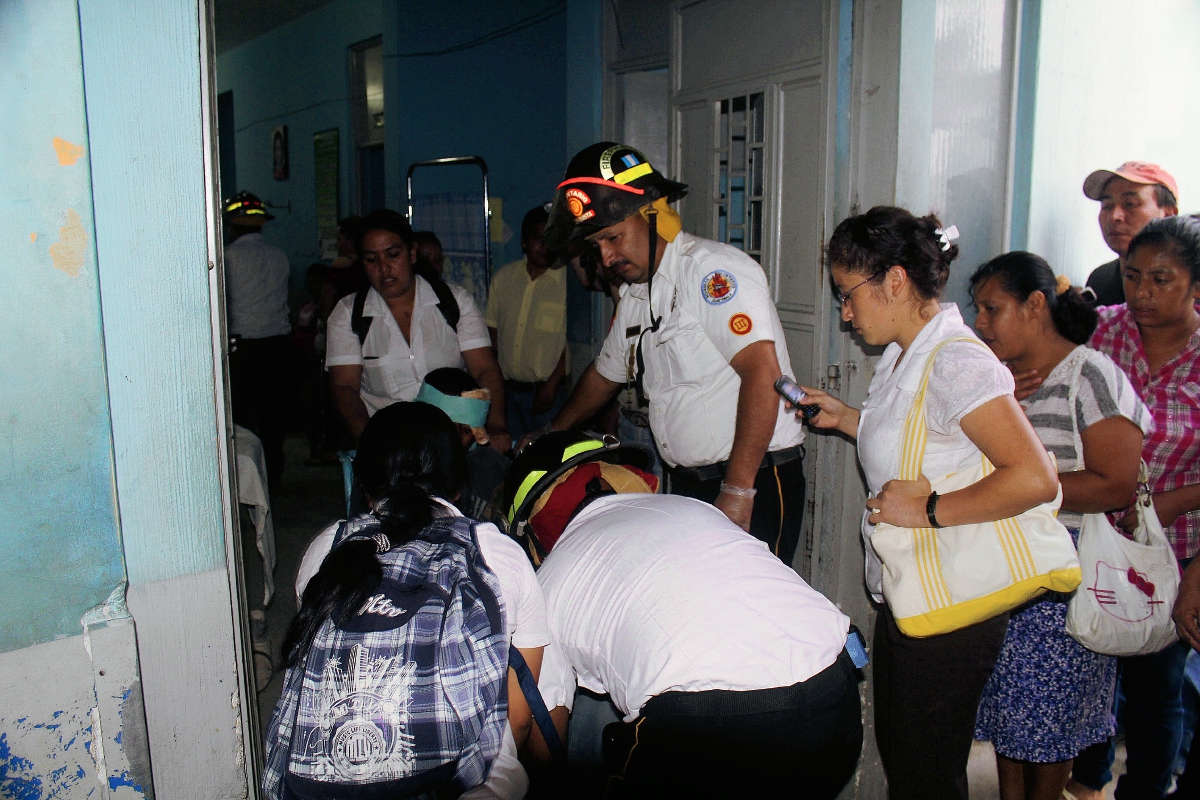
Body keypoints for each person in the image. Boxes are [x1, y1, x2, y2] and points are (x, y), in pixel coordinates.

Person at [794, 206, 1060, 800]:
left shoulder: (957, 361)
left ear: (894, 280)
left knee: (925, 773)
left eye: (847, 293)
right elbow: (928, 441)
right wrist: (849, 421)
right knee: (911, 760)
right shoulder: (903, 354)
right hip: (910, 592)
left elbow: (1036, 478)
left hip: (952, 605)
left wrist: (931, 509)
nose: (844, 311)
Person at [506, 431, 863, 799]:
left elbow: (543, 729)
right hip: (836, 696)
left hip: (713, 731)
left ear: (532, 536)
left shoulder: (549, 583)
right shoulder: (694, 507)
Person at [540, 142, 806, 561]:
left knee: (750, 614)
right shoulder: (636, 295)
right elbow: (604, 376)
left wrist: (737, 491)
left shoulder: (711, 273)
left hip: (751, 478)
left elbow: (763, 375)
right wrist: (551, 434)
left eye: (612, 238)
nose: (606, 258)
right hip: (690, 484)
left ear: (651, 213)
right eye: (596, 246)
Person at [284, 402, 548, 800]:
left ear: (364, 480)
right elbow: (519, 719)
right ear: (459, 481)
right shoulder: (497, 554)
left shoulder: (327, 550)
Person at [968, 252, 1151, 800]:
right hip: (1006, 564)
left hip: (1065, 573)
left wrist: (1026, 484)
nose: (980, 323)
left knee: (1051, 726)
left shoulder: (1089, 375)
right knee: (1008, 716)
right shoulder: (1000, 381)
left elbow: (1116, 484)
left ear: (1036, 305)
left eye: (991, 309)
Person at [1068, 215, 1200, 800]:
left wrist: (1176, 500)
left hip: (1177, 551)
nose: (1142, 292)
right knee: (1089, 669)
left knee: (1156, 690)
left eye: (1162, 280)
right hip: (1093, 535)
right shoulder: (1101, 332)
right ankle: (1085, 779)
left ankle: (1146, 789)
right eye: (1134, 276)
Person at [324, 209, 511, 452]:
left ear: (411, 253)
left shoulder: (455, 302)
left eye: (392, 255)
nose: (384, 267)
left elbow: (484, 368)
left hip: (455, 444)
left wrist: (496, 425)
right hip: (388, 445)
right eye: (372, 259)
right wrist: (369, 441)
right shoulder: (348, 314)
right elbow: (344, 388)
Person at [223, 191, 292, 488]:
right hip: (277, 345)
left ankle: (246, 478)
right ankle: (273, 474)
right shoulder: (279, 256)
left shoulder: (227, 258)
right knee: (272, 414)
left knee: (241, 414)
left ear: (231, 225)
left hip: (243, 347)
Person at [486, 206, 568, 444]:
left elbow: (570, 345)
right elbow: (492, 331)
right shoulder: (504, 278)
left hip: (549, 394)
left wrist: (551, 385)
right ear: (524, 243)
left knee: (547, 457)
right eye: (537, 239)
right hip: (507, 393)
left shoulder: (567, 285)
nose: (545, 246)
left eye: (550, 239)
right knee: (510, 456)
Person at [417, 367, 510, 525]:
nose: (455, 438)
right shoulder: (395, 467)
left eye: (466, 430)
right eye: (447, 427)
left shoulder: (487, 470)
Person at [1083, 162, 1179, 307]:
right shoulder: (1101, 280)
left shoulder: (1190, 284)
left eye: (1130, 204)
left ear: (1168, 214)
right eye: (1107, 206)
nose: (1115, 216)